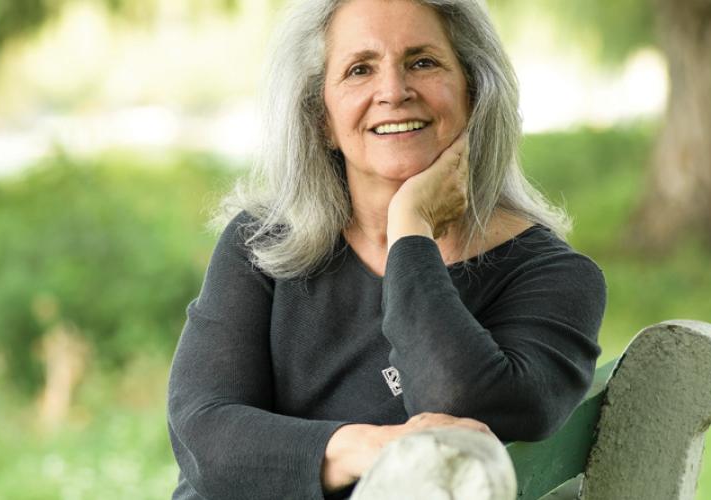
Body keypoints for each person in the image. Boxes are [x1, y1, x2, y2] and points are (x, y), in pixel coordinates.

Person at [167, 0, 606, 498]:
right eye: (360, 69)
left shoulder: (552, 277)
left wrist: (410, 229)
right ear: (322, 120)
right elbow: (203, 434)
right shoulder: (262, 245)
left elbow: (460, 402)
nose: (394, 92)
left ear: (475, 93)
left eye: (423, 62)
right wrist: (376, 448)